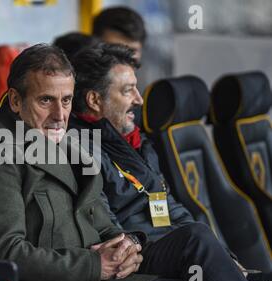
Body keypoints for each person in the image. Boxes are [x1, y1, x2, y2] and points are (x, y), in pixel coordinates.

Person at [0, 43, 255, 281]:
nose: (60, 116)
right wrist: (94, 264)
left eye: (65, 101)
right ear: (14, 100)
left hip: (103, 271)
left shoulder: (71, 144)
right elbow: (6, 253)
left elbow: (102, 220)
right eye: (45, 100)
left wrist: (129, 246)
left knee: (196, 238)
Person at [68, 43, 197, 242]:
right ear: (94, 100)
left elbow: (167, 206)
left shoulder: (139, 143)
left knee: (202, 238)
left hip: (165, 246)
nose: (139, 100)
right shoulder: (80, 149)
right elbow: (107, 229)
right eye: (128, 91)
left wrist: (221, 252)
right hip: (135, 257)